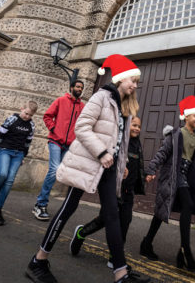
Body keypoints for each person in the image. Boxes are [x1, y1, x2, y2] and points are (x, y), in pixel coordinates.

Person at [25, 54, 149, 283]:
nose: (134, 85)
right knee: (68, 207)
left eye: (136, 82)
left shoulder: (125, 108)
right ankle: (38, 260)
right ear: (120, 78)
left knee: (112, 215)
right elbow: (82, 127)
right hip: (88, 163)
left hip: (109, 168)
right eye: (132, 79)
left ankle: (120, 273)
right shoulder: (101, 97)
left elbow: (119, 143)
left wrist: (121, 165)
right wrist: (101, 153)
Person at [139, 95, 195, 271]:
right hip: (172, 177)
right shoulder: (175, 135)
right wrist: (151, 170)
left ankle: (149, 243)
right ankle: (184, 252)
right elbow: (161, 153)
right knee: (169, 210)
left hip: (186, 177)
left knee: (163, 212)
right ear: (186, 116)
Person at [69, 116, 146, 268]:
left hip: (128, 191)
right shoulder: (120, 143)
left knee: (125, 220)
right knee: (105, 218)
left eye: (139, 126)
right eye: (134, 125)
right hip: (115, 189)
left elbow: (139, 166)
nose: (137, 128)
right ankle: (81, 233)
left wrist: (145, 176)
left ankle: (114, 257)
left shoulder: (137, 144)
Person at [0, 100, 38, 226]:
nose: (27, 117)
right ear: (21, 108)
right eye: (26, 113)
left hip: (18, 154)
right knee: (2, 175)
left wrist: (23, 156)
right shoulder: (11, 119)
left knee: (9, 181)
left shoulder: (31, 125)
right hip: (5, 150)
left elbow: (27, 143)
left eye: (30, 115)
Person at [32, 78, 85, 221]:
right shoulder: (61, 101)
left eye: (81, 88)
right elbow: (47, 116)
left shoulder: (82, 107)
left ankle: (40, 202)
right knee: (54, 169)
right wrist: (54, 128)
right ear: (71, 87)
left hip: (69, 145)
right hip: (55, 141)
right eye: (78, 87)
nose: (80, 89)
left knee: (60, 172)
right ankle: (41, 204)